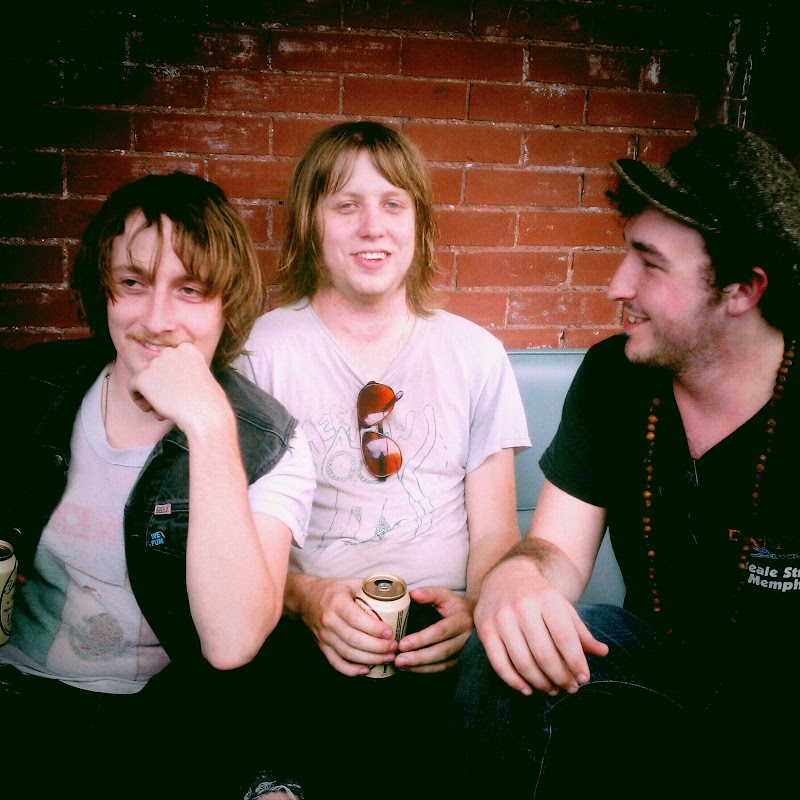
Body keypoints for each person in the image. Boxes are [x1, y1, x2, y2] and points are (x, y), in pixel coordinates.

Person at [454, 124, 800, 797]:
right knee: (512, 650)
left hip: (780, 715)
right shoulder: (615, 377)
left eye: (650, 263)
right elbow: (556, 549)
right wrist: (515, 579)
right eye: (626, 255)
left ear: (742, 289)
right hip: (653, 673)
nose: (616, 285)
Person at [236, 120, 531, 799]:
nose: (373, 226)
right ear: (310, 223)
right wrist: (306, 599)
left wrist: (474, 607)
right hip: (304, 632)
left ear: (419, 223)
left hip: (441, 631)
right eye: (346, 205)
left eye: (393, 204)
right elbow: (236, 542)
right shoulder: (262, 352)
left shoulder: (476, 354)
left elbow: (495, 531)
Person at [0, 171, 315, 799]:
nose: (155, 318)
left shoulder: (270, 441)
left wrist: (209, 425)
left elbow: (232, 642)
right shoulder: (29, 389)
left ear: (226, 304)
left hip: (169, 716)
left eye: (190, 290)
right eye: (132, 283)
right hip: (22, 695)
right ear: (104, 289)